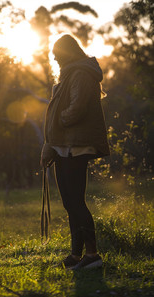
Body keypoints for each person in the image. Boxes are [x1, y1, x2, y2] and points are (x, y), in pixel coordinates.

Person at [40, 34, 110, 270]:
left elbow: (77, 108)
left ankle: (92, 255)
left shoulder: (80, 73)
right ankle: (76, 255)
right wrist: (50, 142)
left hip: (75, 147)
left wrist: (58, 120)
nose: (56, 59)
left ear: (68, 53)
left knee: (76, 202)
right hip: (64, 146)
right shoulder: (70, 73)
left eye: (58, 54)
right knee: (70, 203)